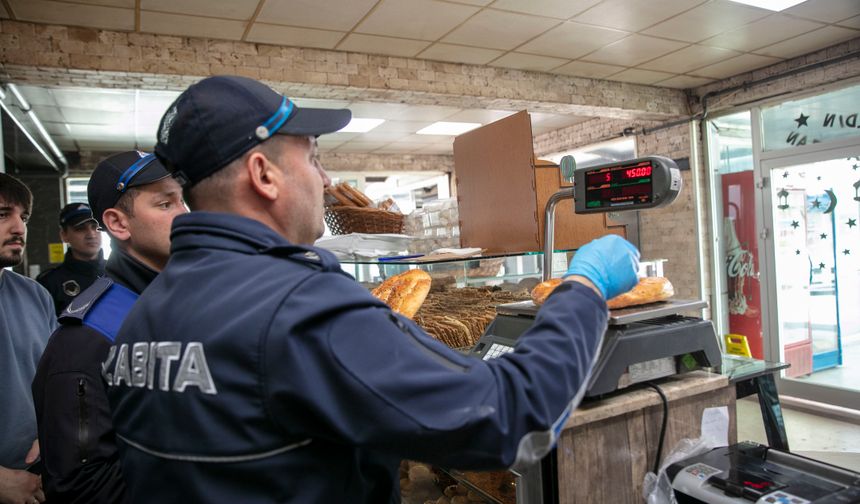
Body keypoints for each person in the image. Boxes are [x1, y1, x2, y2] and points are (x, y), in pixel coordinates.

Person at [106, 75, 640, 503]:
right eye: (313, 156)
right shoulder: (301, 307)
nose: (323, 174)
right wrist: (585, 285)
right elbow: (514, 417)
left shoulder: (145, 312)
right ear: (263, 174)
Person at [31, 151, 186, 503]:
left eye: (183, 201)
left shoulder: (182, 305)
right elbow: (84, 487)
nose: (185, 216)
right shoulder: (88, 337)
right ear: (118, 224)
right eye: (165, 204)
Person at [0, 172, 56, 504]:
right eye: (2, 215)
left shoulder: (35, 295)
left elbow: (52, 383)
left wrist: (52, 438)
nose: (19, 227)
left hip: (38, 478)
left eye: (24, 217)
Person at [37, 202, 106, 315]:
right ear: (64, 235)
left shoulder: (119, 273)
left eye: (96, 227)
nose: (91, 234)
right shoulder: (50, 283)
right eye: (80, 229)